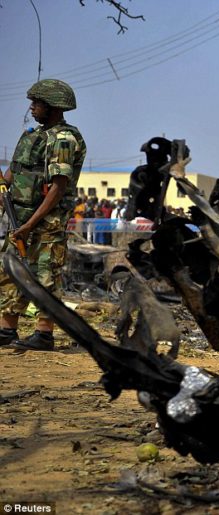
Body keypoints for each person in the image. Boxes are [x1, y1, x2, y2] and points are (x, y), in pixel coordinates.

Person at [0, 79, 86, 350]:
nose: (32, 107)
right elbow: (12, 174)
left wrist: (31, 224)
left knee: (45, 274)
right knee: (9, 271)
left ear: (53, 107)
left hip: (47, 222)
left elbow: (58, 187)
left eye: (37, 103)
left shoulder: (64, 139)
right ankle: (6, 330)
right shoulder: (31, 136)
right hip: (19, 218)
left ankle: (44, 333)